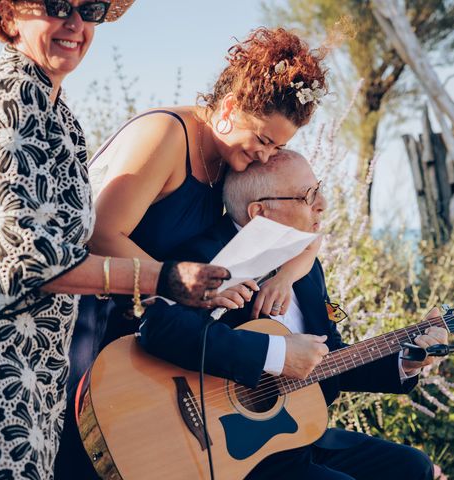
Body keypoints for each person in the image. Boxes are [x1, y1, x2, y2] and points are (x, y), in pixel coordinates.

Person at [0, 1, 228, 477]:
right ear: (7, 14)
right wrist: (161, 279)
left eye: (92, 9)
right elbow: (29, 264)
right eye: (57, 5)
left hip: (31, 380)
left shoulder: (58, 112)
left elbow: (69, 252)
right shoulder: (7, 95)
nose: (75, 24)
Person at [53, 27, 330, 477]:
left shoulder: (228, 157)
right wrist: (182, 285)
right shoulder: (165, 135)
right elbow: (101, 235)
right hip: (86, 323)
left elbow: (310, 233)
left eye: (278, 147)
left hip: (152, 332)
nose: (265, 157)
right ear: (226, 109)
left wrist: (285, 277)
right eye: (263, 140)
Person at [138, 150, 449, 479]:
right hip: (222, 446)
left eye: (319, 189)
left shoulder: (307, 268)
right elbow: (160, 327)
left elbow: (329, 358)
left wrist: (404, 360)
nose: (322, 204)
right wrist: (278, 354)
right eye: (308, 195)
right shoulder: (206, 255)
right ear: (260, 212)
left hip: (294, 435)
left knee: (413, 467)